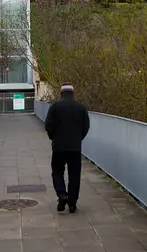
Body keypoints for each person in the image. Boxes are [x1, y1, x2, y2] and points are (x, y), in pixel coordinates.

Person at [45, 82, 90, 213]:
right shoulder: (80, 107)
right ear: (72, 93)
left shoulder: (55, 106)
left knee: (57, 171)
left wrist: (53, 137)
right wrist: (78, 138)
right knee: (74, 175)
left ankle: (62, 194)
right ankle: (72, 204)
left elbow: (48, 125)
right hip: (75, 147)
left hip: (58, 147)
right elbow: (86, 126)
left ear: (61, 93)